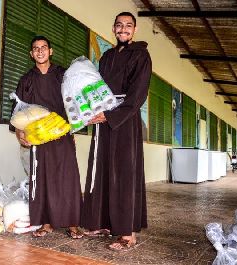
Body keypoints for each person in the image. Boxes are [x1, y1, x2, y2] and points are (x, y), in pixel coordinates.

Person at [81, 12, 152, 250]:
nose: (123, 29)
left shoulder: (141, 55)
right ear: (113, 29)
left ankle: (127, 232)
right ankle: (104, 222)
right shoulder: (108, 56)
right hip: (103, 118)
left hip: (125, 120)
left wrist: (111, 115)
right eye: (119, 26)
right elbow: (97, 89)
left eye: (128, 26)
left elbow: (138, 95)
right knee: (101, 169)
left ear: (135, 29)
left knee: (124, 173)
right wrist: (90, 111)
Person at [9, 36, 83, 239]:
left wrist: (73, 129)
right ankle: (46, 222)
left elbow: (74, 103)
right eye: (35, 49)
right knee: (41, 178)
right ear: (31, 54)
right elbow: (17, 112)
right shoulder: (26, 80)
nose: (40, 51)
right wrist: (20, 134)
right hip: (37, 137)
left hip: (61, 132)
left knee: (67, 178)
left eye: (43, 48)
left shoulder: (63, 75)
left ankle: (72, 223)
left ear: (51, 51)